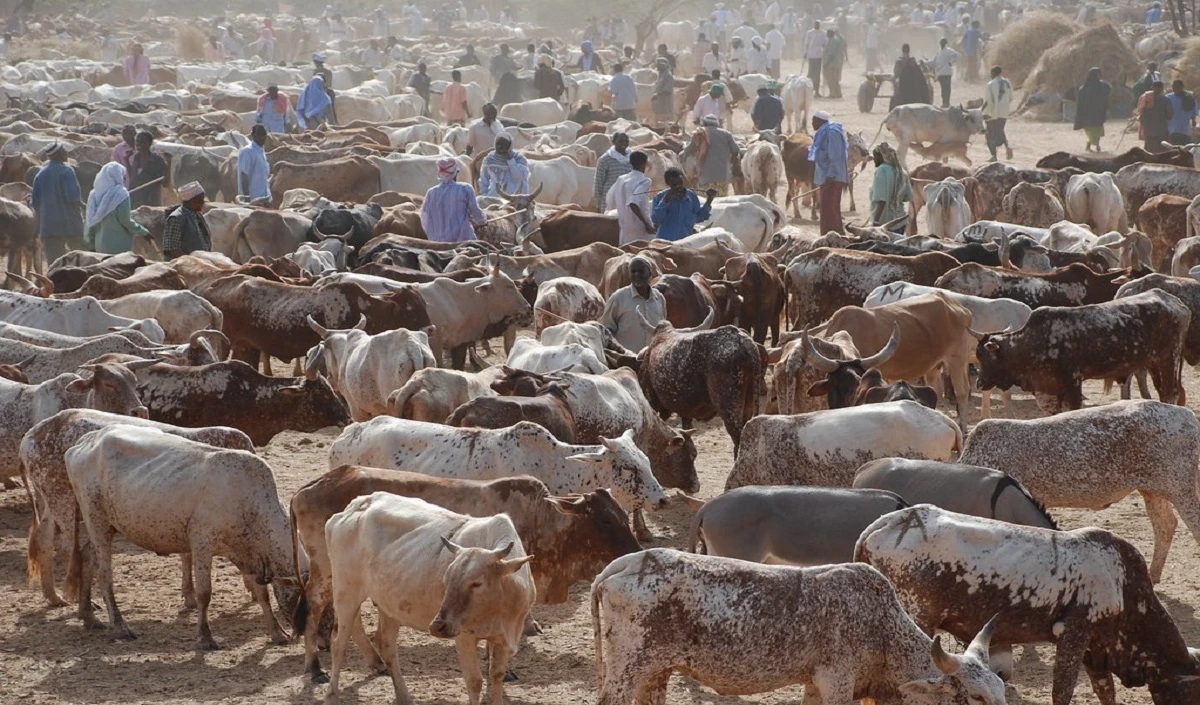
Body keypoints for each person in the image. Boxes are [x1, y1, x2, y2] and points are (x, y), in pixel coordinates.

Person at [598, 255, 668, 352]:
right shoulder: (618, 298)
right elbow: (606, 331)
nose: (636, 274)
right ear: (629, 275)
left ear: (650, 274)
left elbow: (662, 331)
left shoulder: (659, 299)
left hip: (651, 360)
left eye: (641, 271)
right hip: (626, 361)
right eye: (633, 272)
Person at [31, 141, 84, 264]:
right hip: (70, 223)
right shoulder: (67, 171)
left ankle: (54, 283)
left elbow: (35, 204)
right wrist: (87, 207)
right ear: (58, 154)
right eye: (63, 150)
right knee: (80, 257)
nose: (66, 153)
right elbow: (73, 198)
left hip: (49, 226)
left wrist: (40, 225)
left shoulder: (40, 175)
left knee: (54, 263)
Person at [85, 162, 150, 256]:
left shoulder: (94, 194)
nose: (124, 178)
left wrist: (91, 244)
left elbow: (89, 222)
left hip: (100, 246)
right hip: (119, 246)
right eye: (123, 175)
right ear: (117, 176)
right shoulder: (121, 194)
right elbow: (125, 220)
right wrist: (144, 232)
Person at [420, 157, 487, 242]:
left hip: (437, 243)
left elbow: (425, 219)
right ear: (456, 173)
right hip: (462, 242)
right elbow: (476, 212)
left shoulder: (431, 192)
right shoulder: (465, 189)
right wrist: (483, 221)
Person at [810, 110, 848, 235]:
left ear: (820, 121)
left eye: (813, 120)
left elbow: (835, 156)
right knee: (826, 209)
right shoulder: (824, 132)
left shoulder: (831, 132)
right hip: (827, 177)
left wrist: (831, 174)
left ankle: (835, 235)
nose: (812, 123)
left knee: (830, 209)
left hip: (832, 177)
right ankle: (827, 235)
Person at [651, 168, 715, 241]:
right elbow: (656, 220)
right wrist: (665, 201)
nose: (678, 186)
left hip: (686, 242)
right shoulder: (659, 197)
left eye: (680, 182)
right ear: (667, 183)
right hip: (665, 242)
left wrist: (709, 200)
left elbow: (699, 217)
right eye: (674, 184)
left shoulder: (691, 196)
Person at [685, 114, 741, 196]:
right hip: (722, 177)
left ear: (704, 123)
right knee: (721, 203)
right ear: (717, 123)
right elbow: (736, 150)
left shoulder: (699, 134)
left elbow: (689, 151)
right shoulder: (726, 134)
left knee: (706, 203)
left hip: (704, 177)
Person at [607, 151, 655, 245]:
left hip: (624, 227)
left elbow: (610, 199)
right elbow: (633, 202)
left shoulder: (621, 179)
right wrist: (647, 224)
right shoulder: (645, 181)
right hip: (641, 228)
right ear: (644, 164)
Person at [869, 142, 912, 234]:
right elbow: (907, 197)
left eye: (875, 156)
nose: (874, 159)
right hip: (900, 222)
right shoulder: (902, 172)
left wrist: (875, 223)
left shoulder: (881, 170)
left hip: (884, 224)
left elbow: (882, 200)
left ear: (882, 156)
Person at [162, 182, 212, 259]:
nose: (203, 202)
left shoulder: (198, 215)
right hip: (184, 266)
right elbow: (172, 250)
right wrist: (195, 262)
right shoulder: (177, 218)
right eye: (200, 200)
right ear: (191, 201)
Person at [1074, 67, 1111, 152]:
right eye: (1098, 74)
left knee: (1097, 131)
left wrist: (1106, 110)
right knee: (1091, 132)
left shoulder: (1101, 87)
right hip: (1088, 115)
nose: (1099, 76)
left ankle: (1092, 145)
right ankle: (1096, 146)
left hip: (1098, 114)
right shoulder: (1083, 89)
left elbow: (1106, 97)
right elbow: (1080, 103)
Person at [128, 131, 168, 209]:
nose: (138, 144)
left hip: (150, 201)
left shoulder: (158, 160)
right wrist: (125, 160)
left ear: (149, 143)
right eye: (137, 142)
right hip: (135, 199)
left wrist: (169, 163)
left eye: (141, 142)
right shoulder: (136, 158)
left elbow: (165, 183)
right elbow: (132, 179)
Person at [594, 132, 633, 210]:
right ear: (613, 142)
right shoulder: (605, 159)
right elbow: (598, 183)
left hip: (628, 200)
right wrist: (598, 204)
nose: (624, 143)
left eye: (626, 141)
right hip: (609, 201)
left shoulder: (633, 158)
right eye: (620, 141)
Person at [982, 65, 1013, 161]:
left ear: (993, 73)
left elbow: (988, 101)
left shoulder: (990, 84)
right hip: (1003, 112)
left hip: (992, 113)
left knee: (989, 134)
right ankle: (1007, 146)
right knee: (1000, 130)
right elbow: (1011, 97)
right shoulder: (1007, 83)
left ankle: (994, 155)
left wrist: (985, 113)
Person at [237, 124, 271, 204]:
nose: (262, 138)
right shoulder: (247, 151)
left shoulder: (261, 151)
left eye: (264, 135)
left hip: (264, 198)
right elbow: (244, 175)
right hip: (253, 200)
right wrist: (247, 198)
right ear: (253, 135)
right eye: (259, 135)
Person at [891, 43, 930, 108]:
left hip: (902, 90)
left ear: (902, 51)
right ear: (909, 51)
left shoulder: (898, 62)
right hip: (914, 93)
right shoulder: (913, 62)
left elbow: (896, 74)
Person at [1139, 80, 1174, 152]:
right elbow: (1170, 116)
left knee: (1148, 152)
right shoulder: (1166, 100)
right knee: (1163, 152)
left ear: (1152, 87)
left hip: (1148, 132)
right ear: (1162, 88)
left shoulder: (1145, 98)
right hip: (1161, 132)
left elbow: (1141, 115)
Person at [1167, 79, 1197, 145]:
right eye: (1173, 86)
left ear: (1182, 87)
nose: (1175, 88)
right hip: (1172, 130)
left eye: (1177, 86)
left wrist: (1193, 121)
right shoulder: (1168, 98)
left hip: (1185, 130)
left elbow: (1193, 111)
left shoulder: (1189, 98)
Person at [932, 38, 961, 108]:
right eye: (941, 42)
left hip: (947, 73)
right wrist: (924, 62)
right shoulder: (938, 51)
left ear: (945, 43)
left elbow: (958, 55)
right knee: (943, 89)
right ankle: (944, 103)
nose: (941, 44)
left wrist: (951, 62)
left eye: (943, 42)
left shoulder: (949, 51)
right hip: (940, 73)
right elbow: (933, 61)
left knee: (947, 88)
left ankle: (946, 103)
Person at [804, 21, 828, 97]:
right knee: (811, 73)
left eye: (818, 24)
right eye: (816, 24)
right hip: (812, 55)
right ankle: (808, 90)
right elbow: (806, 44)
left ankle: (816, 91)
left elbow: (825, 44)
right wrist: (805, 53)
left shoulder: (823, 33)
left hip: (818, 55)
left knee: (816, 74)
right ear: (814, 25)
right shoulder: (809, 33)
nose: (817, 25)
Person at [822, 28, 847, 99]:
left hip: (832, 63)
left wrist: (826, 63)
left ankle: (832, 94)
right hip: (837, 62)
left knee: (831, 79)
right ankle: (838, 93)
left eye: (827, 33)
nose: (826, 34)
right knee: (835, 79)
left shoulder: (833, 41)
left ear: (830, 33)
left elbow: (831, 54)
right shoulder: (835, 40)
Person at [651, 58, 676, 125]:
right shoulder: (660, 75)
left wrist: (656, 95)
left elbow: (668, 91)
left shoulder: (668, 75)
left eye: (659, 65)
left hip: (665, 108)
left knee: (665, 127)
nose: (657, 66)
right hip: (659, 107)